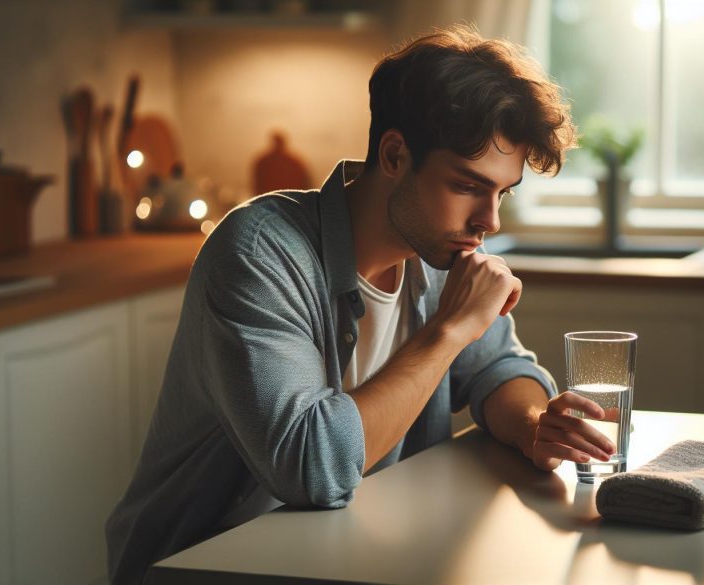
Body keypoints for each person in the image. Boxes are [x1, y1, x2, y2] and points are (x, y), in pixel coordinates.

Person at [105, 25, 617, 584]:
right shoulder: (258, 253)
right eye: (468, 186)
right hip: (201, 566)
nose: (488, 221)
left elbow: (499, 367)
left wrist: (534, 425)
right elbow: (312, 466)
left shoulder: (441, 248)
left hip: (346, 557)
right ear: (395, 155)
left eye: (502, 192)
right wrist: (449, 330)